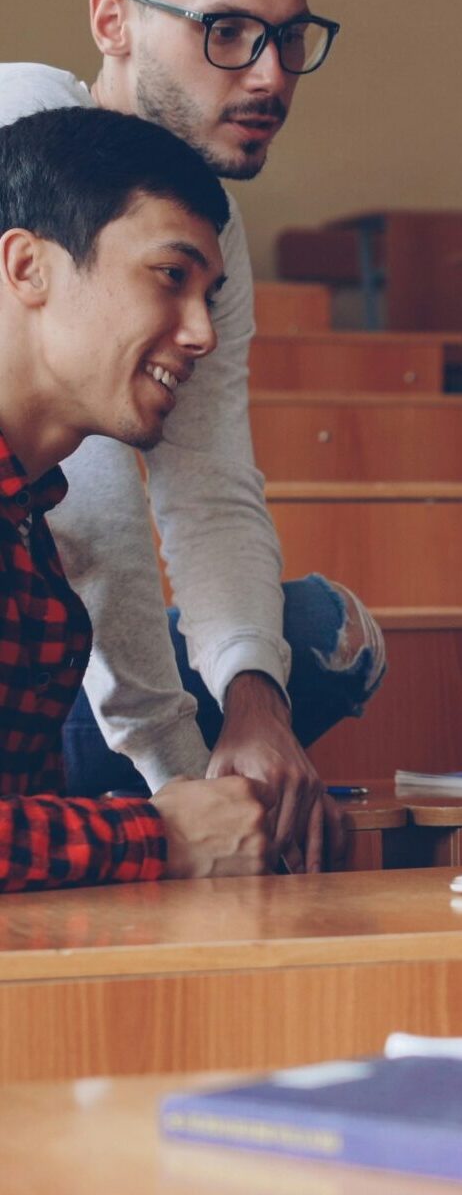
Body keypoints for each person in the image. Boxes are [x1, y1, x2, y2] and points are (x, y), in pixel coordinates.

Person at [0, 0, 386, 873]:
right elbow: (92, 528)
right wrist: (173, 803)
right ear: (114, 21)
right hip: (55, 619)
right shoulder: (26, 125)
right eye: (225, 31)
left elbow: (209, 487)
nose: (267, 75)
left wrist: (256, 709)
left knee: (322, 637)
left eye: (288, 37)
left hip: (41, 624)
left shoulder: (213, 227)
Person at [0, 107, 278, 890]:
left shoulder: (27, 521)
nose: (202, 334)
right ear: (28, 268)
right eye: (169, 276)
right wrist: (159, 836)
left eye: (209, 295)